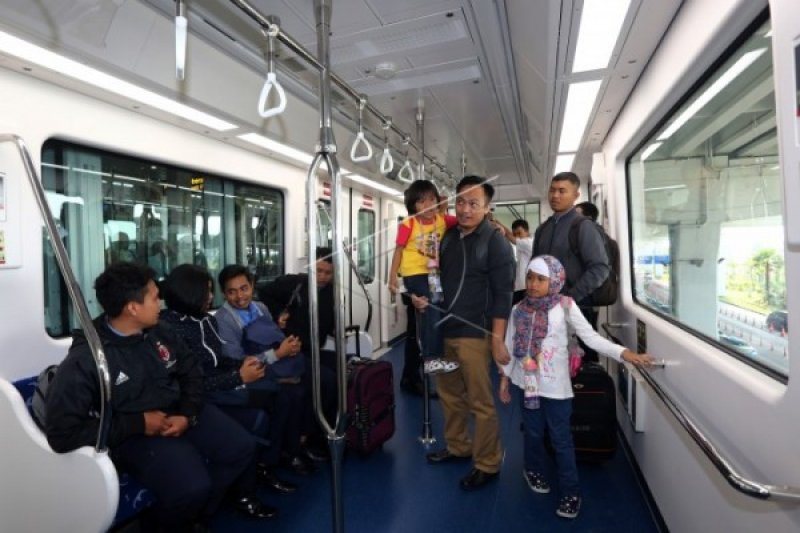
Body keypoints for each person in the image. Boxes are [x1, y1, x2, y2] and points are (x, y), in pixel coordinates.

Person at [44, 262, 270, 531]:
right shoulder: (89, 359)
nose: (161, 302)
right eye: (154, 297)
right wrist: (138, 423)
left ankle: (197, 516)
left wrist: (188, 413)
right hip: (132, 432)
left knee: (240, 447)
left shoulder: (160, 331)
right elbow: (61, 432)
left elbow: (191, 373)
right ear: (132, 307)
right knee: (192, 485)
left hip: (178, 411)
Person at [498, 255, 652, 519]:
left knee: (561, 440)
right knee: (533, 433)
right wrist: (504, 379)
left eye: (541, 279)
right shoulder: (518, 309)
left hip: (557, 388)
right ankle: (532, 469)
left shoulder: (566, 306)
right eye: (530, 278)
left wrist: (624, 353)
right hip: (528, 384)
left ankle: (571, 492)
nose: (533, 284)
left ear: (555, 280)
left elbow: (591, 338)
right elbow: (511, 346)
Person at [160, 264, 299, 499]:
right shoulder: (170, 331)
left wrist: (242, 366)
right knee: (261, 415)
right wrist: (239, 376)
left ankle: (266, 466)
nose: (211, 297)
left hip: (222, 382)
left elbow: (220, 360)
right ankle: (245, 491)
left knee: (283, 395)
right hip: (203, 396)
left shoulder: (206, 320)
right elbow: (190, 383)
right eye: (207, 292)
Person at [423, 175, 515, 491]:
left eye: (473, 203)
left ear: (487, 208)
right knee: (449, 394)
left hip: (475, 334)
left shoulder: (496, 242)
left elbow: (504, 294)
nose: (465, 209)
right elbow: (436, 278)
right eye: (460, 201)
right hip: (444, 331)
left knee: (480, 400)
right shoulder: (448, 237)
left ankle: (488, 462)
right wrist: (427, 299)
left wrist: (497, 338)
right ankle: (459, 445)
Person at [215, 264, 318, 475]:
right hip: (250, 374)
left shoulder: (261, 308)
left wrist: (290, 347)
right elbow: (236, 361)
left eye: (244, 288)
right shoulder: (223, 320)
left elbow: (275, 340)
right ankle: (278, 457)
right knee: (290, 396)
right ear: (224, 294)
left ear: (252, 286)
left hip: (273, 364)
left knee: (312, 382)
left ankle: (297, 445)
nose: (239, 296)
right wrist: (278, 354)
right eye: (231, 292)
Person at [533, 172, 610, 363]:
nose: (555, 196)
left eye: (562, 191)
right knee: (550, 362)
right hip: (546, 310)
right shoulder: (543, 229)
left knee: (579, 368)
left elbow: (600, 268)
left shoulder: (583, 227)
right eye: (552, 190)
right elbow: (535, 268)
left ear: (576, 195)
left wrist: (570, 298)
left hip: (576, 308)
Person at [389, 179, 459, 375]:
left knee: (440, 309)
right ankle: (430, 358)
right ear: (413, 205)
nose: (428, 205)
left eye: (431, 199)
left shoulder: (442, 220)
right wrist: (392, 276)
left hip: (434, 274)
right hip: (415, 274)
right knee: (431, 308)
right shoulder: (408, 223)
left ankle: (436, 353)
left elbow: (464, 220)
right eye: (422, 201)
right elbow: (398, 250)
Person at [492, 218, 534, 305]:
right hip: (520, 287)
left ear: (527, 231)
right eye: (515, 234)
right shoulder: (523, 244)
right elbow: (510, 235)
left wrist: (498, 223)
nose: (517, 236)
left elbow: (511, 237)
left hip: (524, 287)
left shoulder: (528, 242)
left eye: (519, 233)